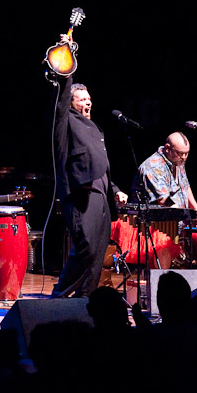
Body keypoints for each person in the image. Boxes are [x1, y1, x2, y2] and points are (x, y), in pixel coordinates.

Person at [51, 34, 129, 298]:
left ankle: (85, 301)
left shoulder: (93, 127)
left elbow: (102, 165)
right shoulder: (66, 121)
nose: (88, 102)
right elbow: (61, 98)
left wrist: (115, 188)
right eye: (82, 99)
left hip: (102, 196)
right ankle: (59, 297)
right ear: (72, 103)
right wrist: (67, 63)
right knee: (85, 247)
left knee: (98, 251)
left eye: (89, 98)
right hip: (81, 193)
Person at [132, 131, 197, 213]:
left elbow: (185, 186)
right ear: (167, 148)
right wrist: (185, 215)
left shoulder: (177, 160)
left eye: (186, 153)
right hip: (157, 221)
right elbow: (163, 200)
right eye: (180, 153)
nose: (184, 157)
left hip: (179, 217)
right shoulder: (153, 167)